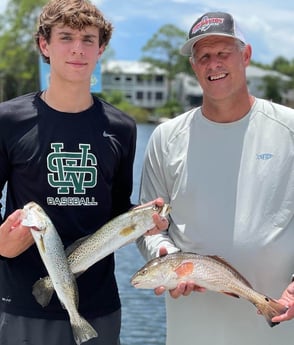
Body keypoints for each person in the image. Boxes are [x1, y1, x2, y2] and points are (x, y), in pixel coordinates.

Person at [0, 1, 168, 345]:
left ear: (101, 48)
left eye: (88, 39)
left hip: (98, 305)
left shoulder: (122, 127)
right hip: (21, 304)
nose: (78, 48)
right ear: (44, 45)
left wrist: (146, 220)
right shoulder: (8, 121)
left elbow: (118, 209)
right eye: (65, 37)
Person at [137, 11, 294, 345]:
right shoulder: (165, 139)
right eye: (203, 56)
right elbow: (146, 228)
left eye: (223, 53)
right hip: (190, 330)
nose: (213, 64)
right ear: (194, 66)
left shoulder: (290, 129)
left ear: (246, 55)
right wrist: (165, 256)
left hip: (279, 330)